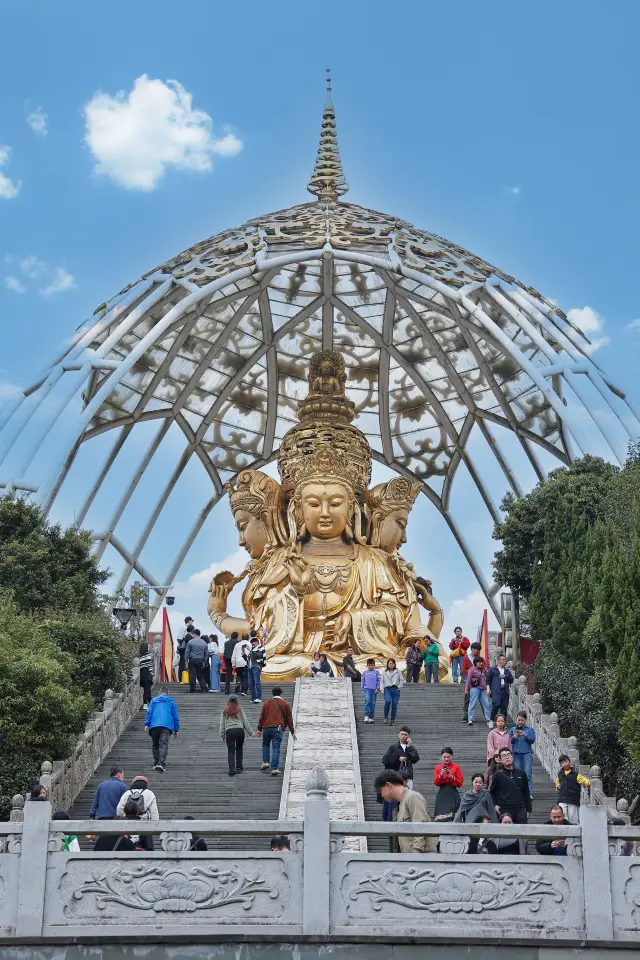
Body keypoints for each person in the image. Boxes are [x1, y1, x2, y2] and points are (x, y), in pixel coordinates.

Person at [373, 770, 437, 853]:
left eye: (381, 791)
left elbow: (420, 827)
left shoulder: (413, 797)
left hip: (420, 859)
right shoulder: (400, 805)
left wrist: (416, 853)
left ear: (388, 785)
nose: (382, 796)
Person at [258, 687, 296, 775]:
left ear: (272, 693)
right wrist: (292, 732)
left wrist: (259, 729)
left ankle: (266, 762)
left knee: (265, 745)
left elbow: (262, 717)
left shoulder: (266, 703)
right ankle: (274, 768)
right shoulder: (285, 704)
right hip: (278, 728)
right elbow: (289, 719)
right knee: (276, 748)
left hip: (267, 728)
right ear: (281, 693)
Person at [490, 747, 531, 823]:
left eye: (508, 754)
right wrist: (495, 804)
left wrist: (529, 809)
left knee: (521, 831)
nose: (507, 757)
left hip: (520, 807)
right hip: (505, 808)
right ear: (500, 760)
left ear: (512, 757)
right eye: (504, 756)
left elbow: (526, 791)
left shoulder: (521, 773)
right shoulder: (498, 775)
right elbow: (492, 791)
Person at [144, 685, 180, 772]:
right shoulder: (171, 702)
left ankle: (156, 762)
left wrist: (147, 724)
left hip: (154, 725)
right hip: (166, 726)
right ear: (168, 693)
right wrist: (176, 729)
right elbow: (175, 716)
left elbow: (149, 712)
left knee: (155, 745)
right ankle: (161, 763)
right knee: (163, 744)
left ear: (160, 693)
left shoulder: (154, 701)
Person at [220, 695, 255, 776]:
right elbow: (245, 721)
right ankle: (239, 766)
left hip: (230, 731)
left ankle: (232, 769)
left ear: (228, 702)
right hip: (240, 730)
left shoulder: (225, 711)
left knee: (231, 750)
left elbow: (222, 724)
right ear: (237, 701)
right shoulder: (240, 710)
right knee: (239, 748)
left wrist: (222, 735)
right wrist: (251, 732)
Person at [556, 754, 591, 824]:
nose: (564, 764)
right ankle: (565, 834)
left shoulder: (576, 774)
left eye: (566, 761)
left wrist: (591, 783)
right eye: (562, 763)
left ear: (569, 762)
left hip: (573, 799)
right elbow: (557, 786)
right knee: (563, 817)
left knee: (573, 818)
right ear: (560, 765)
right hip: (562, 799)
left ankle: (573, 835)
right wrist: (558, 786)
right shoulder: (559, 774)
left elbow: (584, 781)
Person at [433, 747, 464, 822]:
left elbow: (460, 783)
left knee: (454, 813)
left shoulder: (456, 767)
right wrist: (441, 774)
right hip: (442, 792)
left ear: (452, 757)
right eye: (444, 757)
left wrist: (451, 777)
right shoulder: (438, 767)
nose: (446, 759)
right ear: (441, 757)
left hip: (453, 792)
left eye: (448, 757)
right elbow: (436, 782)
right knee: (441, 813)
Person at [509, 711, 536, 795]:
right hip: (516, 754)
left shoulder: (530, 730)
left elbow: (532, 740)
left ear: (526, 720)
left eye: (522, 720)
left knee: (528, 774)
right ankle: (518, 792)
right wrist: (515, 737)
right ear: (516, 719)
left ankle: (528, 793)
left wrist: (525, 735)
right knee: (517, 774)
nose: (520, 722)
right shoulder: (512, 730)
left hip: (526, 754)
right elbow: (509, 741)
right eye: (519, 720)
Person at [466, 656, 492, 727]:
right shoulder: (472, 669)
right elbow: (468, 679)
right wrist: (466, 689)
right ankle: (470, 719)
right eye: (479, 662)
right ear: (475, 663)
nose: (481, 663)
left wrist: (484, 668)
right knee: (473, 703)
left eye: (481, 662)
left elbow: (488, 677)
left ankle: (488, 719)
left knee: (486, 704)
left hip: (483, 689)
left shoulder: (483, 670)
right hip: (475, 688)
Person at [486, 654, 514, 721]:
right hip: (496, 690)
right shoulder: (492, 669)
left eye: (505, 660)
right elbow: (488, 679)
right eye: (503, 659)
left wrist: (505, 676)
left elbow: (511, 680)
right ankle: (492, 720)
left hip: (505, 690)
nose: (505, 661)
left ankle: (503, 723)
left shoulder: (507, 671)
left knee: (504, 708)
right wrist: (488, 688)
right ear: (499, 661)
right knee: (496, 705)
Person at [461, 641, 481, 723]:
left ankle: (488, 718)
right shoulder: (466, 658)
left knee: (483, 700)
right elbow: (464, 669)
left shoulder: (480, 659)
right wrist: (470, 675)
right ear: (472, 649)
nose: (478, 652)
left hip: (479, 682)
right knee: (467, 698)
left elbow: (483, 668)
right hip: (469, 682)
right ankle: (466, 716)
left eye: (479, 650)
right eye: (477, 650)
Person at [185, 628, 209, 693]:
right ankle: (204, 687)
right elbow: (206, 653)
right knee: (200, 675)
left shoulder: (190, 642)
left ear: (195, 634)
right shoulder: (204, 643)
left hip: (192, 660)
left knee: (192, 675)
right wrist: (205, 661)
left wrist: (186, 662)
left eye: (192, 634)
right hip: (201, 660)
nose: (192, 636)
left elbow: (187, 652)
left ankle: (193, 688)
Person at [382, 657, 404, 725]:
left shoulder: (398, 671)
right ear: (387, 664)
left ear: (394, 664)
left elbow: (402, 680)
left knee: (394, 704)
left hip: (395, 689)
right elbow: (382, 681)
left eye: (392, 663)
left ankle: (392, 720)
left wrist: (399, 687)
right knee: (387, 701)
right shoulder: (385, 672)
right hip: (387, 688)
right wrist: (382, 689)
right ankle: (385, 716)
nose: (391, 665)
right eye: (389, 663)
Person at [361, 658, 381, 722]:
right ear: (367, 665)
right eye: (369, 665)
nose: (371, 666)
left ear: (374, 665)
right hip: (367, 689)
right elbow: (363, 681)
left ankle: (371, 717)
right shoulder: (365, 673)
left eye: (372, 665)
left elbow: (378, 681)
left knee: (373, 703)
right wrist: (362, 689)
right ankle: (366, 715)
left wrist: (377, 688)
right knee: (368, 701)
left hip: (374, 690)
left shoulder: (376, 672)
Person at [248, 636, 267, 702]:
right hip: (250, 667)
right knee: (250, 683)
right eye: (251, 643)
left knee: (257, 682)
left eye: (253, 643)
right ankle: (253, 697)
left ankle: (259, 697)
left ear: (257, 642)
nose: (252, 644)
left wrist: (261, 666)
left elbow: (262, 657)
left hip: (256, 667)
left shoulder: (261, 648)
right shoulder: (250, 649)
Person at [138, 642, 154, 707]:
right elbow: (150, 666)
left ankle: (149, 703)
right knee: (147, 690)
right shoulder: (148, 656)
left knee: (147, 689)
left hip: (142, 674)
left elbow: (140, 666)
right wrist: (152, 674)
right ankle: (145, 704)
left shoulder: (140, 657)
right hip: (147, 673)